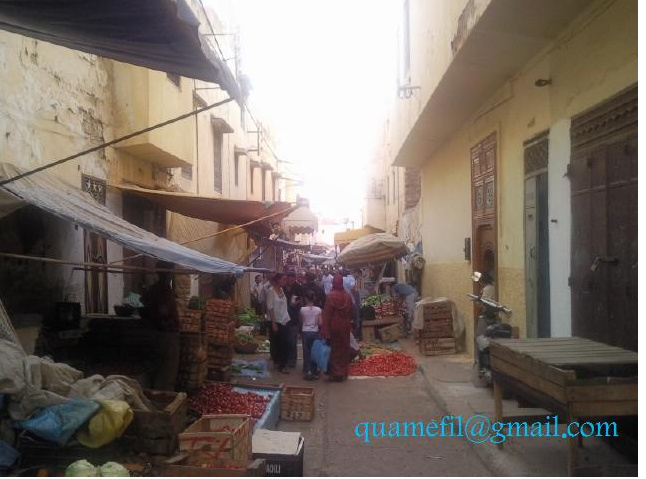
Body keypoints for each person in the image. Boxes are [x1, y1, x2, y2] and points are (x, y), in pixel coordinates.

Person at [140, 261, 180, 391]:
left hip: (155, 334)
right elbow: (162, 311)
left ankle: (154, 397)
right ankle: (161, 403)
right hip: (165, 336)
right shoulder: (163, 289)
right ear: (168, 273)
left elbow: (144, 303)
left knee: (155, 371)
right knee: (166, 373)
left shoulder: (155, 288)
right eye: (170, 272)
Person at [321, 274, 354, 381]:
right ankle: (343, 372)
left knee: (334, 349)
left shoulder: (331, 296)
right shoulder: (348, 296)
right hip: (345, 324)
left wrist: (325, 330)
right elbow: (351, 311)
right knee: (344, 348)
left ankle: (336, 373)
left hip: (334, 325)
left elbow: (326, 314)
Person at [266, 273, 291, 374]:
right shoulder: (271, 292)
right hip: (276, 321)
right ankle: (278, 363)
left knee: (285, 343)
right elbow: (270, 307)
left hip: (284, 320)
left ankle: (282, 364)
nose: (285, 282)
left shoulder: (282, 290)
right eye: (283, 280)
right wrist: (273, 322)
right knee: (276, 343)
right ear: (278, 280)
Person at [300, 291, 322, 380]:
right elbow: (321, 323)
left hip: (305, 332)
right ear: (314, 298)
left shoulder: (302, 309)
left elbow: (301, 321)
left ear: (305, 299)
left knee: (306, 352)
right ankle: (314, 371)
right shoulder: (318, 310)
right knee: (314, 352)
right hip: (315, 332)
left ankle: (307, 371)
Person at [283, 272, 303, 367]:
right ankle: (286, 358)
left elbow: (302, 299)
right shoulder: (283, 287)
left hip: (294, 316)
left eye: (292, 278)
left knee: (292, 340)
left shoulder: (298, 287)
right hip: (283, 316)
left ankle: (292, 360)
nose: (290, 280)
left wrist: (297, 302)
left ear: (294, 278)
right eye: (288, 278)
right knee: (286, 339)